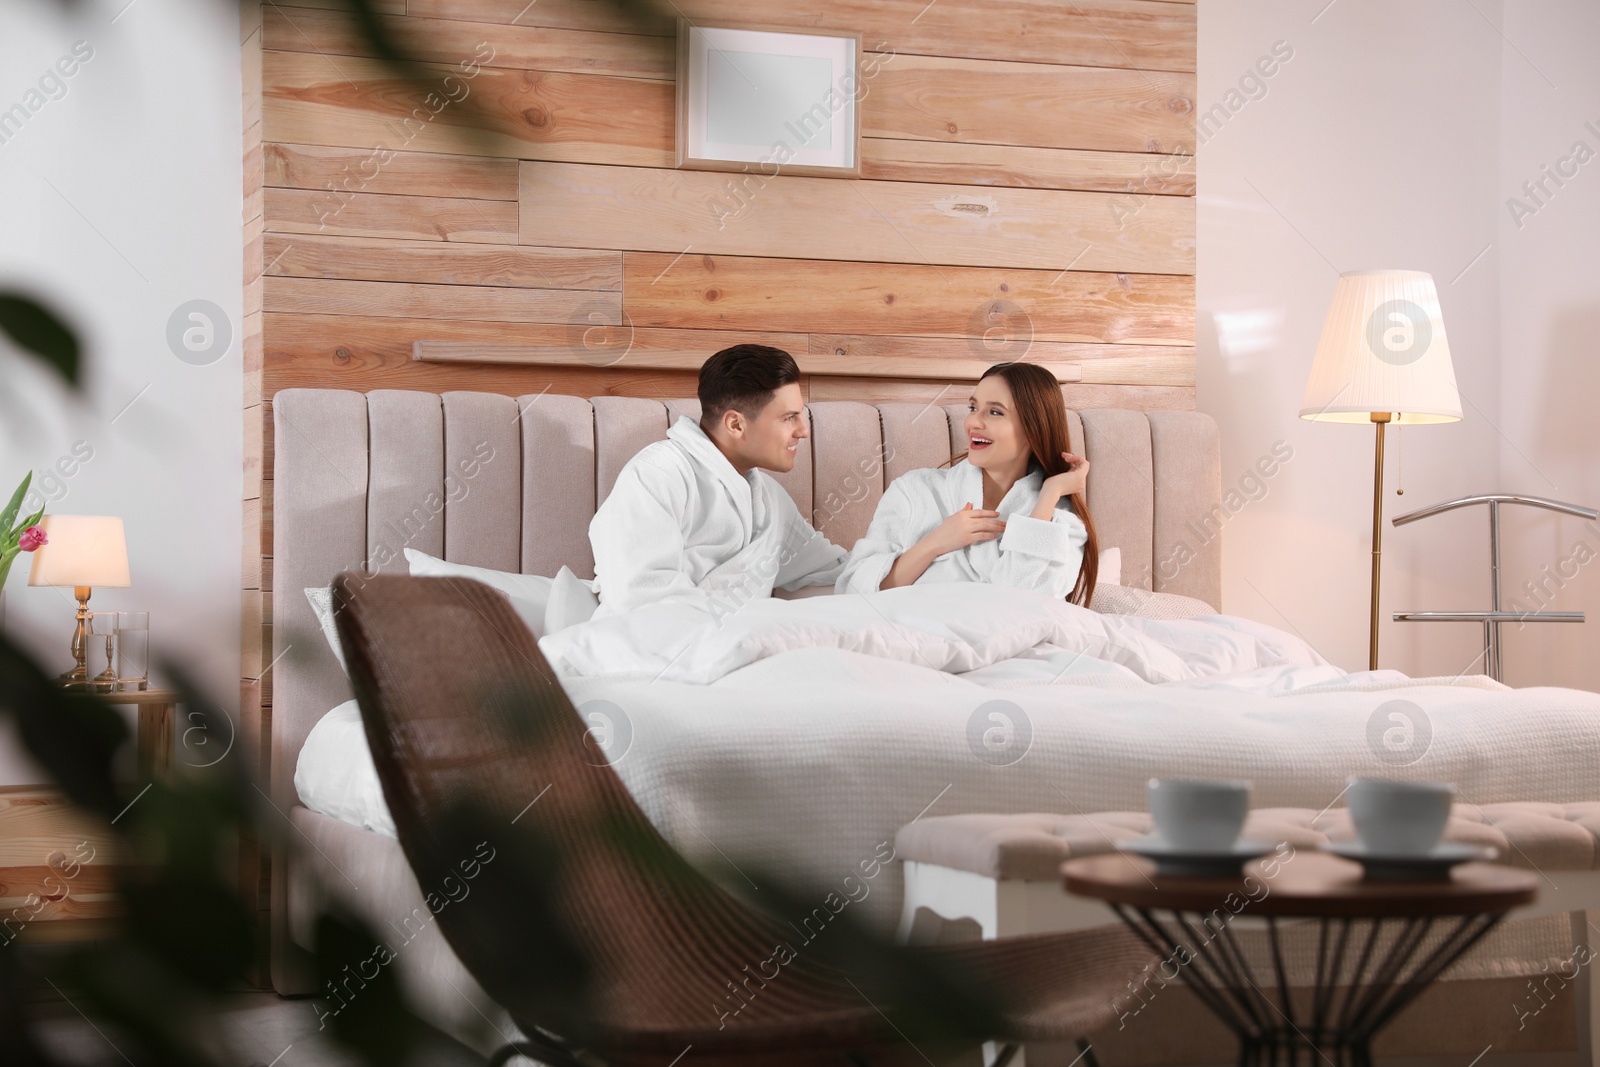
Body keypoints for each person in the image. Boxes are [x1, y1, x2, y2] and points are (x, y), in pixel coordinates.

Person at [589, 344, 847, 618]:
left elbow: (836, 573)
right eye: (788, 418)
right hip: (657, 648)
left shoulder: (771, 499)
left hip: (741, 644)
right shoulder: (657, 474)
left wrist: (889, 561)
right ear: (735, 424)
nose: (804, 431)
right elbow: (638, 597)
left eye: (801, 416)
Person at [836, 362, 1100, 604]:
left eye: (995, 412)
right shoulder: (914, 491)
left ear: (1034, 429)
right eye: (973, 408)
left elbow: (1021, 608)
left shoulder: (1060, 522)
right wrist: (935, 543)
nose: (974, 422)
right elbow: (854, 590)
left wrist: (1049, 494)